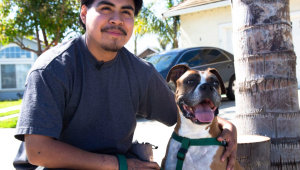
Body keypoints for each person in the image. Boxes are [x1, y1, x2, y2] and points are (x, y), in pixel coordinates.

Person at [13, 0, 238, 170]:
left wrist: (228, 126)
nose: (117, 19)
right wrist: (122, 164)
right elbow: (38, 151)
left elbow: (183, 109)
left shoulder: (141, 72)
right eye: (106, 8)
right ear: (83, 13)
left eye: (126, 12)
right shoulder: (52, 69)